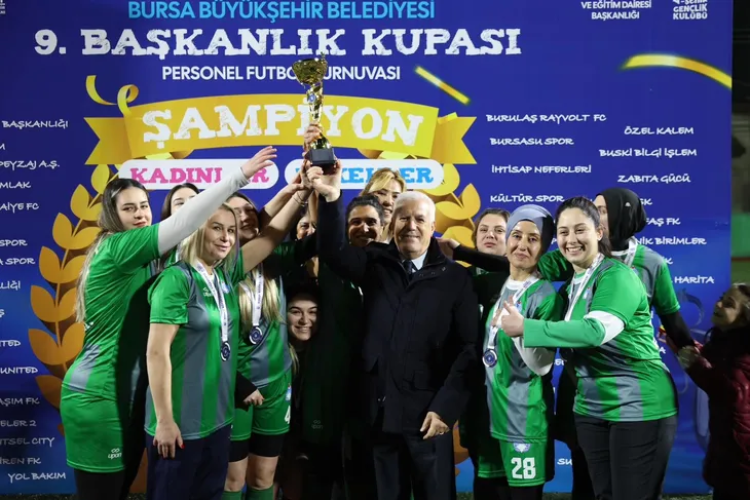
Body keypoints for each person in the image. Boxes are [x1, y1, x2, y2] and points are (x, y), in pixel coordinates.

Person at [60, 147, 277, 500]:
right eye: (128, 208)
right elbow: (186, 224)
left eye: (143, 205)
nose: (140, 214)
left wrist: (293, 193)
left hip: (131, 395)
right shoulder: (118, 247)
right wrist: (240, 176)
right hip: (101, 395)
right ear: (112, 217)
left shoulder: (157, 260)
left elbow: (234, 244)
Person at [307, 158, 479, 500]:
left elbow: (468, 349)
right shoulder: (374, 261)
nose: (411, 226)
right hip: (378, 418)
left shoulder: (455, 277)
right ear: (392, 222)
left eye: (420, 219)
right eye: (404, 218)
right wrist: (330, 197)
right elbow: (333, 251)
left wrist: (446, 408)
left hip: (430, 417)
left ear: (433, 227)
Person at [499, 196, 678, 500]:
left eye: (580, 230)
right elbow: (519, 264)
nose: (571, 239)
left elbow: (596, 332)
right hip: (590, 407)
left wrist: (526, 328)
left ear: (598, 232)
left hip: (639, 405)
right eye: (563, 232)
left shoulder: (617, 275)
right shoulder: (572, 282)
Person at [225, 169, 316, 500]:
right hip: (234, 386)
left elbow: (313, 240)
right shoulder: (221, 267)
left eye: (249, 210)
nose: (246, 216)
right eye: (236, 213)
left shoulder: (274, 259)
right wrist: (301, 191)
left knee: (263, 478)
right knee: (232, 480)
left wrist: (312, 189)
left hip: (276, 386)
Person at [145, 204, 245, 500]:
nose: (226, 237)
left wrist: (298, 194)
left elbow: (269, 239)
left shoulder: (222, 278)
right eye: (217, 228)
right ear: (195, 229)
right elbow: (156, 352)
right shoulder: (176, 278)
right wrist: (164, 421)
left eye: (231, 230)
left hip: (218, 420)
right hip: (179, 425)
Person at [467, 205, 562, 500]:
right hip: (489, 415)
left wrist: (521, 332)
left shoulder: (546, 295)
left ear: (544, 248)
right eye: (517, 236)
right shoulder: (496, 285)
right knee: (488, 493)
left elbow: (542, 366)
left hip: (523, 418)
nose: (522, 245)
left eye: (533, 239)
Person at [667, 283, 750, 500]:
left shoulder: (744, 352)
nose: (718, 304)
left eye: (729, 304)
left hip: (741, 460)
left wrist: (695, 365)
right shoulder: (726, 340)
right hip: (728, 454)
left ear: (744, 318)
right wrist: (689, 349)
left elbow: (732, 392)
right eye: (722, 297)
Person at [276, 284, 321, 500]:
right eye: (296, 312)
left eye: (313, 312)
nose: (304, 320)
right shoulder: (275, 354)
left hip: (309, 437)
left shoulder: (324, 357)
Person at [359, 168, 406, 242]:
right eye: (381, 193)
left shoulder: (404, 243)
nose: (388, 202)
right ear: (367, 196)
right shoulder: (349, 237)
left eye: (395, 196)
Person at [160, 183, 200, 266]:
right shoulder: (158, 250)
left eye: (194, 200)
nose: (187, 205)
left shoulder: (215, 244)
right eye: (180, 203)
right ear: (169, 212)